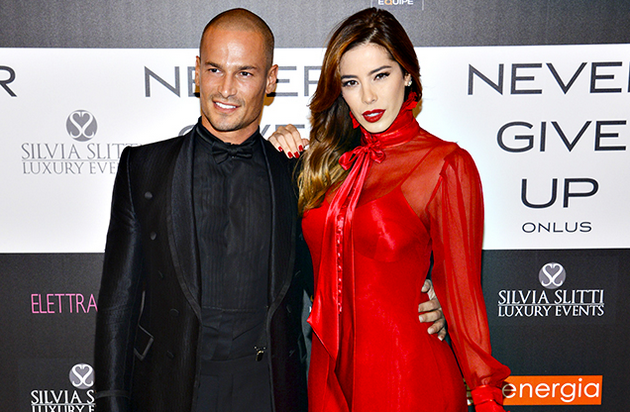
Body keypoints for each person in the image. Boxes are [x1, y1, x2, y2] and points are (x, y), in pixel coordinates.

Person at [94, 8, 445, 412]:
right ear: (197, 72)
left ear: (271, 79)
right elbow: (117, 303)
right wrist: (110, 402)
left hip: (270, 391)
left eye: (244, 73)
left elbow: (339, 279)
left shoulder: (298, 174)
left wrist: (424, 300)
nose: (226, 89)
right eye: (214, 69)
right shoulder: (144, 168)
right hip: (171, 392)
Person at [272, 7, 510, 412]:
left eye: (380, 75)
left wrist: (486, 398)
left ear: (407, 75)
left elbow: (464, 298)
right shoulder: (324, 163)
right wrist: (270, 155)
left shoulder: (446, 165)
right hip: (329, 380)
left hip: (408, 379)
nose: (367, 96)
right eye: (352, 82)